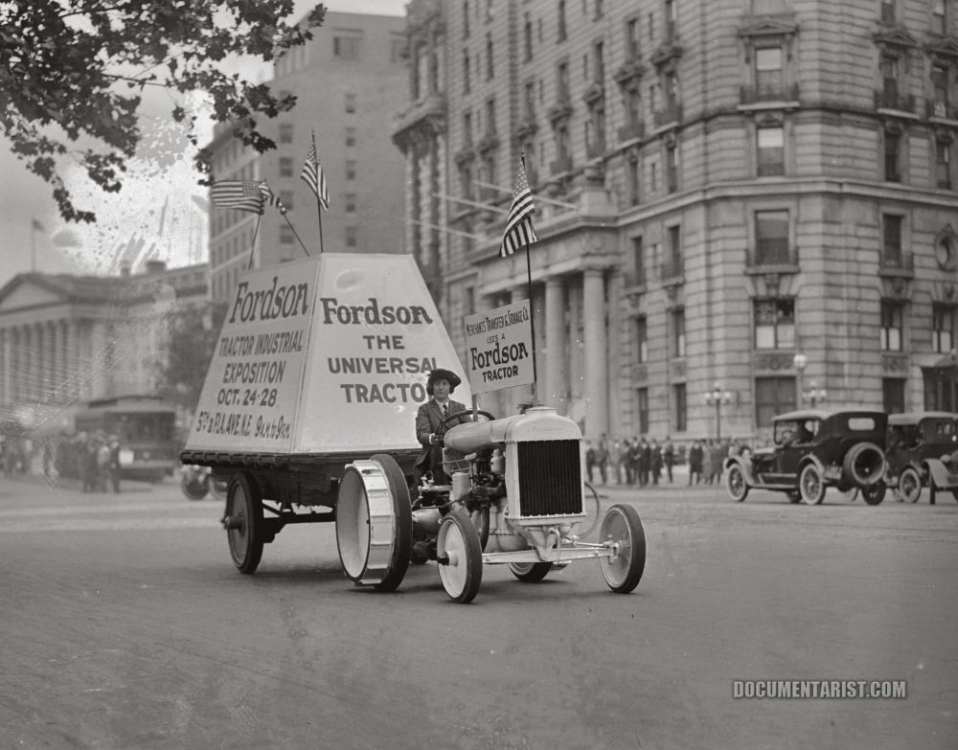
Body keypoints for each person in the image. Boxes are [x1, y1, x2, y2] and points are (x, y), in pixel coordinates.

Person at [414, 368, 467, 485]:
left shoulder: (460, 408)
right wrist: (431, 438)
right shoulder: (425, 409)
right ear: (432, 387)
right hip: (435, 457)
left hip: (459, 453)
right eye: (437, 384)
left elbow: (469, 428)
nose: (440, 387)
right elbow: (421, 433)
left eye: (444, 384)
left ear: (450, 387)